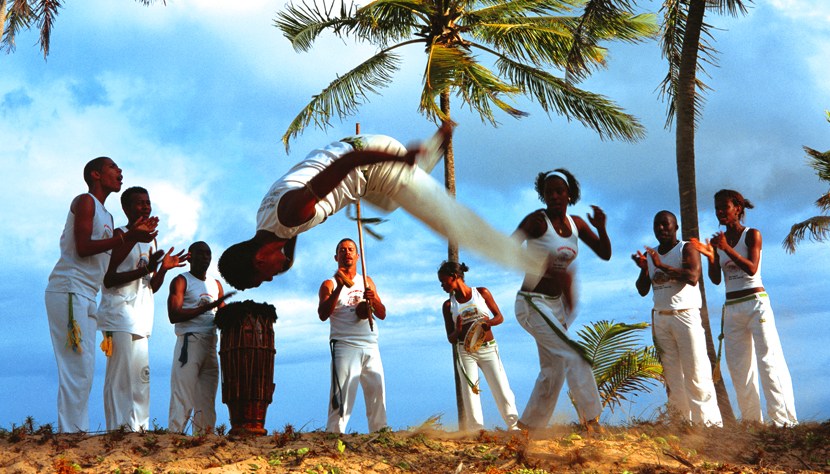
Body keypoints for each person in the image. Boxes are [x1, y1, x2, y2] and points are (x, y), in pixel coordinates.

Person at [218, 125, 546, 290]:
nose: (272, 278)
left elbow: (350, 162)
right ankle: (433, 147)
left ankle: (541, 267)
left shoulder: (290, 213)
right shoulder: (268, 222)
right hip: (362, 164)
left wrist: (400, 158)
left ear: (259, 256)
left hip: (372, 161)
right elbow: (285, 252)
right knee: (388, 204)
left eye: (263, 276)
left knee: (450, 223)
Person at [45, 157, 157, 433]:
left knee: (84, 367)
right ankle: (71, 434)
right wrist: (127, 236)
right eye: (112, 167)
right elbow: (83, 247)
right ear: (96, 174)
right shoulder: (85, 201)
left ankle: (74, 432)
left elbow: (108, 266)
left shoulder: (106, 216)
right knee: (77, 368)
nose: (120, 171)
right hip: (68, 288)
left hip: (87, 294)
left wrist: (134, 237)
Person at [512, 168, 610, 432]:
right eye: (548, 192)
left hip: (556, 306)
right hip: (532, 302)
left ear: (569, 194)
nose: (554, 196)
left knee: (553, 370)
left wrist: (601, 228)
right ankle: (592, 420)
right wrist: (534, 262)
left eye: (559, 191)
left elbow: (605, 252)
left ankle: (528, 428)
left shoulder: (576, 224)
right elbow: (507, 248)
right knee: (573, 353)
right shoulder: (536, 221)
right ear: (543, 196)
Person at [690, 190, 797, 426]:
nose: (719, 212)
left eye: (724, 207)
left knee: (768, 362)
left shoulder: (752, 235)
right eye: (716, 208)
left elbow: (751, 268)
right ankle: (752, 421)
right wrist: (711, 256)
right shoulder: (719, 241)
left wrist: (726, 249)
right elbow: (717, 279)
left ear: (737, 208)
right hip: (732, 307)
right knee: (739, 367)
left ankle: (784, 422)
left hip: (756, 304)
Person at [97, 186, 189, 431]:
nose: (146, 207)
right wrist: (141, 254)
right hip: (118, 314)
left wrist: (163, 269)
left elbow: (151, 285)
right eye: (140, 203)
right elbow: (109, 278)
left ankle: (139, 429)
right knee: (120, 377)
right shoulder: (121, 235)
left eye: (148, 202)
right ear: (127, 208)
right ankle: (118, 429)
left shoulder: (150, 239)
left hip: (141, 316)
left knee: (141, 378)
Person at [632, 211, 722, 427]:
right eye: (657, 225)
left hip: (685, 316)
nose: (661, 229)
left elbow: (692, 277)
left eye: (666, 225)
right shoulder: (652, 255)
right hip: (661, 318)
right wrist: (646, 269)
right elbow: (642, 290)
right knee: (673, 377)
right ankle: (682, 423)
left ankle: (709, 425)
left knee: (696, 371)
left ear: (676, 227)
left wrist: (661, 266)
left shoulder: (685, 248)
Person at [438, 261, 519, 432]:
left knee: (501, 386)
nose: (442, 285)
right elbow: (451, 338)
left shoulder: (481, 293)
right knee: (470, 390)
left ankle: (513, 425)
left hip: (488, 347)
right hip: (465, 351)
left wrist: (487, 323)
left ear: (454, 277)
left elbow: (499, 317)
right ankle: (477, 430)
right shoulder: (448, 306)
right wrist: (458, 329)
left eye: (444, 281)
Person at [318, 238, 387, 433]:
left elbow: (382, 314)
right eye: (342, 250)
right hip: (345, 345)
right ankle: (334, 435)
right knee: (342, 398)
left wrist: (373, 301)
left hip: (370, 344)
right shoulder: (329, 284)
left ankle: (380, 432)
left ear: (358, 256)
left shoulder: (366, 280)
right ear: (336, 256)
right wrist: (340, 287)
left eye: (351, 250)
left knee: (377, 394)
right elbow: (323, 314)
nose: (347, 253)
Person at [167, 241, 234, 434]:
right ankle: (174, 437)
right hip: (189, 343)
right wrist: (207, 307)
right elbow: (174, 315)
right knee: (183, 395)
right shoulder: (181, 280)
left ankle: (204, 438)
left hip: (211, 344)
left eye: (208, 254)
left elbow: (223, 314)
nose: (205, 257)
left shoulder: (215, 284)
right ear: (190, 256)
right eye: (201, 253)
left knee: (207, 397)